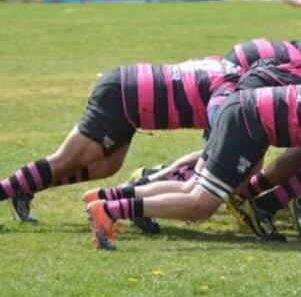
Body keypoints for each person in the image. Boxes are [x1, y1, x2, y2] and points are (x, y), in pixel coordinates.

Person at [85, 76, 301, 252]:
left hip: (244, 110)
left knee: (195, 187)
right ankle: (110, 212)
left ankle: (108, 199)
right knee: (201, 204)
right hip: (248, 121)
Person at [0, 58, 240, 224]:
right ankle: (11, 189)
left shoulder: (227, 68)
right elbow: (220, 133)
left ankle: (23, 188)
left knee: (107, 165)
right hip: (123, 97)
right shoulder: (230, 87)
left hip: (128, 93)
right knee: (67, 160)